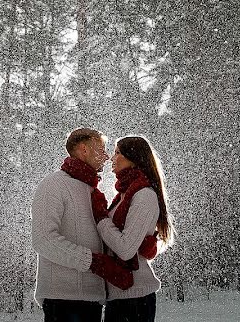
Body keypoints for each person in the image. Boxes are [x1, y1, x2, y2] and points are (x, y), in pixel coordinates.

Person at [32, 127, 137, 322]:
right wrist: (94, 262)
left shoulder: (91, 190)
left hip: (92, 299)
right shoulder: (54, 185)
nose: (106, 157)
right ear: (84, 149)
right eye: (102, 149)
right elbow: (43, 239)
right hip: (64, 301)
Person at [91, 135, 174, 322]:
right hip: (119, 297)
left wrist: (101, 217)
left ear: (133, 158)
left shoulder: (144, 195)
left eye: (117, 153)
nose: (112, 158)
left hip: (135, 299)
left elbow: (125, 249)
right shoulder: (123, 194)